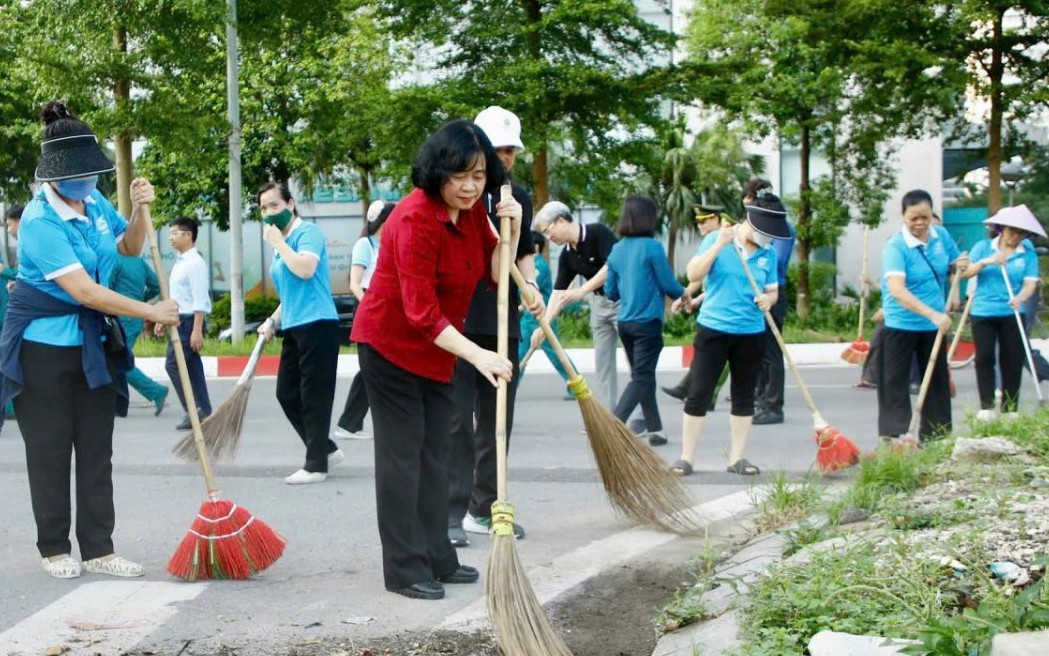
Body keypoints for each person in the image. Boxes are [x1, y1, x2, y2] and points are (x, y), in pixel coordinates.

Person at [0, 101, 179, 578]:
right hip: (42, 351)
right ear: (53, 176)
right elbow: (83, 290)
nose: (86, 183)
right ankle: (54, 548)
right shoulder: (40, 222)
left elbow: (130, 247)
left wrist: (140, 212)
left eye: (92, 174)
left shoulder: (95, 201)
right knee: (51, 450)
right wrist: (149, 310)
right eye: (77, 177)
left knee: (97, 448)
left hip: (91, 346)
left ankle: (100, 548)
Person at [351, 119, 518, 600]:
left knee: (437, 454)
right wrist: (481, 355)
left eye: (480, 175)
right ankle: (404, 568)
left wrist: (514, 224)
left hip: (438, 351)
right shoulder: (411, 218)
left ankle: (437, 555)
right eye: (459, 175)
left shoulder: (471, 217)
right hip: (391, 347)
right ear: (436, 172)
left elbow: (494, 272)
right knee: (403, 459)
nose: (470, 186)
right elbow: (421, 313)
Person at [447, 106, 541, 547]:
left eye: (510, 150)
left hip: (503, 326)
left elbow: (522, 256)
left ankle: (483, 508)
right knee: (455, 422)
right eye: (496, 148)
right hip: (461, 323)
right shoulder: (458, 193)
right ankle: (449, 510)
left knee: (497, 420)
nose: (504, 157)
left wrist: (533, 286)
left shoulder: (518, 196)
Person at [669, 203, 793, 477]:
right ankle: (686, 458)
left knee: (743, 395)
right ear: (751, 222)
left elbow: (772, 291)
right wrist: (718, 246)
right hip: (714, 329)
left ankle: (737, 458)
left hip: (750, 332)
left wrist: (767, 300)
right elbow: (694, 275)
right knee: (699, 392)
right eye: (766, 233)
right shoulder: (718, 238)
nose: (768, 239)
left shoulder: (767, 253)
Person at [256, 182, 344, 485]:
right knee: (286, 393)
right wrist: (272, 321)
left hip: (318, 324)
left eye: (274, 206)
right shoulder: (285, 240)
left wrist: (279, 244)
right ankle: (325, 448)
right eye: (264, 209)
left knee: (313, 396)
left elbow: (305, 270)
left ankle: (316, 465)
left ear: (290, 205)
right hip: (294, 326)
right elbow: (290, 293)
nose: (269, 213)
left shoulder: (307, 234)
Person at [877, 190, 968, 445]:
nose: (919, 223)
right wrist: (932, 314)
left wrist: (963, 267)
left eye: (925, 217)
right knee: (894, 381)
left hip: (934, 324)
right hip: (901, 323)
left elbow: (957, 268)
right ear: (904, 216)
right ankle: (895, 436)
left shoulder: (941, 236)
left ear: (932, 215)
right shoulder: (896, 246)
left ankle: (936, 437)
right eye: (913, 217)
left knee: (936, 381)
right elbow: (897, 290)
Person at [605, 196, 686, 446]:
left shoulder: (617, 249)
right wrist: (685, 295)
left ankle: (656, 430)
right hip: (647, 323)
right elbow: (669, 284)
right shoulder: (652, 247)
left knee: (644, 375)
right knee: (641, 377)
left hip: (625, 323)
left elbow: (611, 292)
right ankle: (613, 426)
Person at [532, 201, 619, 407]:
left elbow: (612, 266)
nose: (548, 238)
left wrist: (582, 290)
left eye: (547, 230)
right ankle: (611, 419)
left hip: (622, 302)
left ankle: (643, 418)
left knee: (636, 363)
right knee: (603, 364)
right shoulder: (567, 255)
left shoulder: (598, 233)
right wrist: (543, 327)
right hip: (599, 306)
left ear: (561, 220)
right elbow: (557, 294)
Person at [960, 205, 1041, 420]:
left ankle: (1010, 408)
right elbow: (966, 273)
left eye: (1020, 233)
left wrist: (1021, 298)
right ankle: (986, 407)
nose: (1015, 237)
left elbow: (1030, 282)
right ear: (1001, 229)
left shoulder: (1028, 251)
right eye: (1012, 231)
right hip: (984, 311)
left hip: (1013, 311)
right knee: (985, 357)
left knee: (1012, 359)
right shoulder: (983, 247)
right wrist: (987, 261)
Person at [333, 199, 396, 440]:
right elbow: (354, 284)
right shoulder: (365, 245)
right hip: (369, 305)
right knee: (371, 368)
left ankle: (351, 422)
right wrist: (370, 307)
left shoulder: (389, 244)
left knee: (377, 368)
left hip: (387, 307)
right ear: (383, 221)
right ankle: (350, 423)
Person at [661, 205, 724, 407]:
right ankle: (690, 389)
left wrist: (693, 298)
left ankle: (707, 395)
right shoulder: (712, 241)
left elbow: (727, 283)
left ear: (716, 219)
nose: (700, 226)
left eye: (704, 221)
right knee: (708, 352)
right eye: (697, 222)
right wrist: (686, 295)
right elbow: (699, 276)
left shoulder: (725, 241)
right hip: (715, 309)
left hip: (732, 311)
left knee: (722, 358)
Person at [155, 216, 213, 430]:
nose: (171, 237)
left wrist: (197, 329)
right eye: (170, 233)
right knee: (192, 367)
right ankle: (204, 410)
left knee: (172, 365)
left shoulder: (195, 263)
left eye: (175, 233)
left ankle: (194, 410)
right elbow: (178, 297)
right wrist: (165, 319)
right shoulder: (182, 262)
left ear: (188, 235)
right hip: (180, 319)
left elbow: (200, 298)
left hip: (190, 322)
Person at [751, 186, 795, 426]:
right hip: (760, 292)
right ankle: (761, 398)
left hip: (774, 293)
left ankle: (774, 405)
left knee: (771, 353)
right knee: (759, 352)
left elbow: (775, 261)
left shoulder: (783, 232)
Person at [517, 230, 576, 391]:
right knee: (519, 354)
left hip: (542, 318)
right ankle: (510, 388)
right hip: (529, 319)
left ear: (535, 246)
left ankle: (575, 385)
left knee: (556, 355)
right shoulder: (529, 266)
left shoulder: (539, 266)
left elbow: (525, 290)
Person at [111, 253, 168, 415]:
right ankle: (117, 404)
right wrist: (140, 300)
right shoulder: (138, 261)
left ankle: (156, 391)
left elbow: (106, 287)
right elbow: (156, 285)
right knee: (118, 361)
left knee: (119, 362)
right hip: (136, 317)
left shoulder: (115, 260)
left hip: (122, 317)